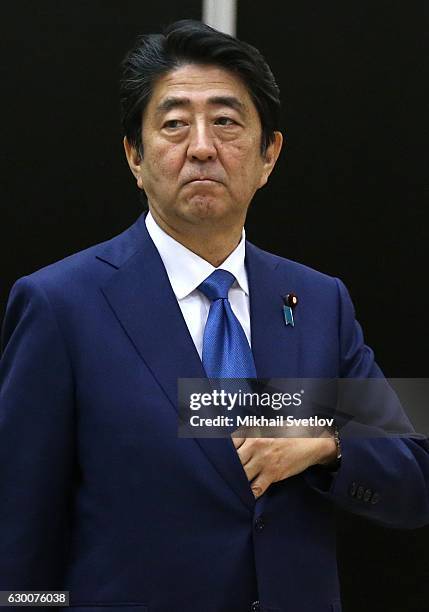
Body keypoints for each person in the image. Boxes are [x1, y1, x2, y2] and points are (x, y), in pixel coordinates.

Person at [0, 19, 428, 612]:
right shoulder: (61, 305)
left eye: (226, 122)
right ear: (135, 156)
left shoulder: (316, 302)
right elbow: (18, 541)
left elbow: (413, 473)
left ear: (268, 154)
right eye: (174, 124)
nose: (202, 146)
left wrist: (328, 444)